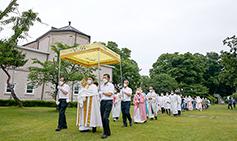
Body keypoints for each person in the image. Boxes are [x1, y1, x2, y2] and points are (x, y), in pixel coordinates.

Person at [99, 74, 114, 139]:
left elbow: (110, 94)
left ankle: (105, 132)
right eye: (103, 77)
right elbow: (101, 95)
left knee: (105, 117)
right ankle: (108, 131)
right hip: (102, 102)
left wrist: (102, 93)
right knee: (102, 117)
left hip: (108, 102)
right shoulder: (102, 86)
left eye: (105, 77)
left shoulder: (111, 85)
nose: (103, 79)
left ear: (108, 79)